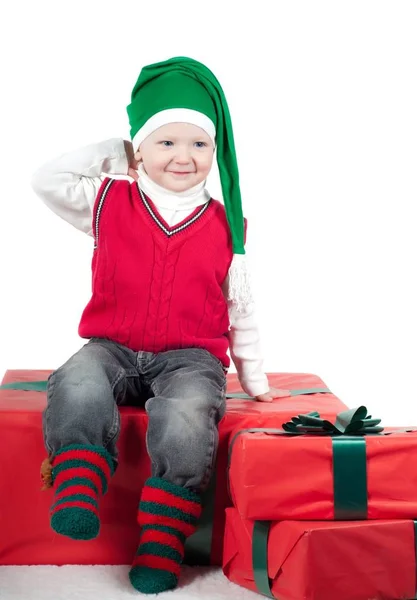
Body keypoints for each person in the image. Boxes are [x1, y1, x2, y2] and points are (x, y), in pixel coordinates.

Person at [31, 56, 289, 594]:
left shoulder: (227, 226)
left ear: (214, 153)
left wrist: (256, 380)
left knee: (190, 412)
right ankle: (78, 485)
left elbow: (240, 308)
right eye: (165, 142)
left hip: (189, 357)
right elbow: (46, 178)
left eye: (198, 144)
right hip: (112, 347)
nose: (183, 156)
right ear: (139, 148)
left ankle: (164, 536)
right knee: (76, 382)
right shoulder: (106, 201)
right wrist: (114, 152)